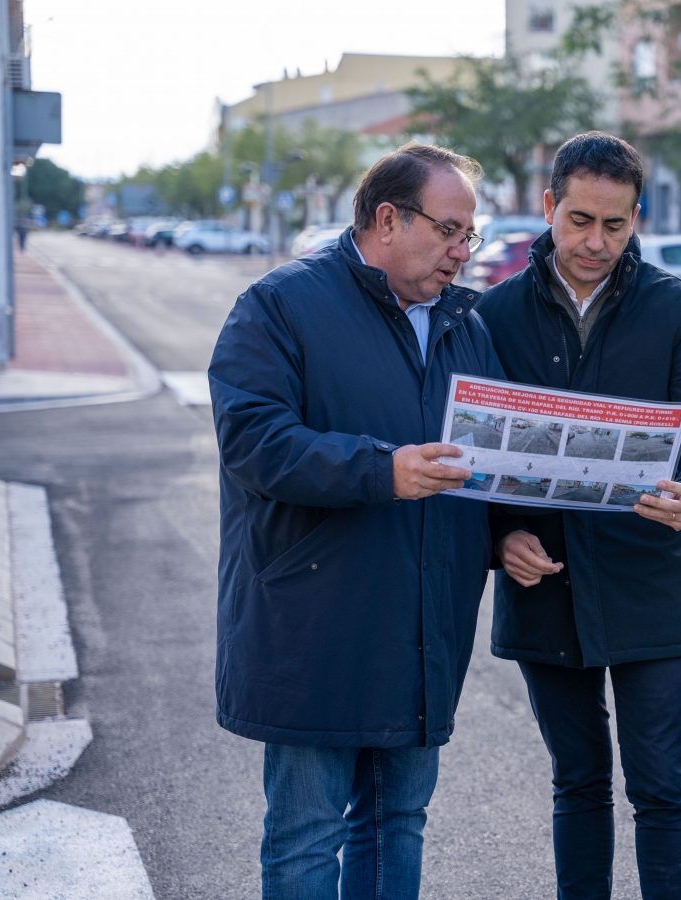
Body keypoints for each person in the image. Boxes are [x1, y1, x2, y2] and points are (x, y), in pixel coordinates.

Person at [208, 143, 504, 900]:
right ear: (387, 219)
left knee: (397, 822)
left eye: (469, 235)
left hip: (423, 624)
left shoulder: (464, 325)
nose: (462, 252)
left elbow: (488, 460)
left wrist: (509, 537)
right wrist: (382, 470)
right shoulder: (281, 305)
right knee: (307, 834)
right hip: (319, 621)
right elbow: (254, 441)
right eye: (448, 230)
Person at [476, 131, 681, 900]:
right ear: (548, 206)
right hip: (544, 585)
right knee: (579, 780)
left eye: (615, 225)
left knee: (661, 785)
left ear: (637, 218)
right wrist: (499, 535)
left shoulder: (677, 308)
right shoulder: (493, 314)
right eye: (580, 220)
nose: (596, 241)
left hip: (648, 577)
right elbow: (471, 451)